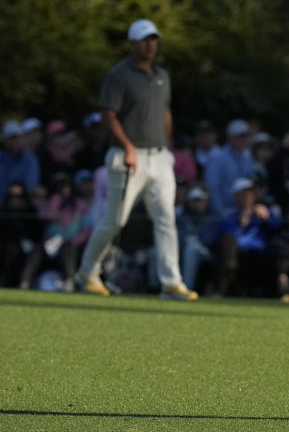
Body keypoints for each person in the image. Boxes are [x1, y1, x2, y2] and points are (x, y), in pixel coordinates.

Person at [73, 19, 197, 301]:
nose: (150, 44)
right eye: (144, 40)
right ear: (132, 43)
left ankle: (171, 282)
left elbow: (165, 113)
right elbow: (108, 115)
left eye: (153, 39)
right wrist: (127, 146)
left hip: (158, 157)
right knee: (116, 221)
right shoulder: (118, 75)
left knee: (166, 219)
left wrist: (168, 148)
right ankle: (86, 273)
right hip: (128, 157)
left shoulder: (162, 75)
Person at [204, 119, 257, 217]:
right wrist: (221, 214)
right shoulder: (217, 158)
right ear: (230, 138)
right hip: (225, 212)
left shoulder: (249, 157)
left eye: (246, 136)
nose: (244, 139)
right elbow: (212, 190)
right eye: (240, 136)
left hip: (246, 213)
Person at [0, 120, 40, 209]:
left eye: (17, 137)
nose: (15, 141)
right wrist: (2, 203)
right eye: (11, 138)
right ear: (5, 140)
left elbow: (32, 185)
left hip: (26, 208)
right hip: (3, 209)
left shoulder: (30, 159)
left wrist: (20, 199)